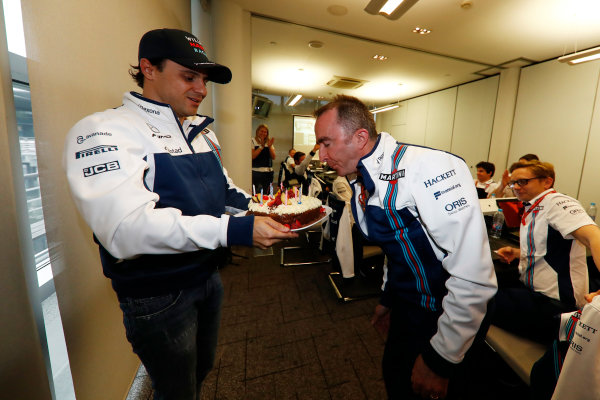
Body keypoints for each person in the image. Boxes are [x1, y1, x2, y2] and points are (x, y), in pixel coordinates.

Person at [63, 28, 296, 400]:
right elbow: (125, 230)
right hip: (158, 292)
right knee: (175, 389)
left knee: (201, 370)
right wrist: (235, 232)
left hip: (206, 276)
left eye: (203, 79)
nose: (202, 89)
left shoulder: (202, 132)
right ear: (148, 69)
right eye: (189, 76)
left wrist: (272, 211)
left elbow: (225, 192)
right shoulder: (103, 131)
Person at [314, 95, 497, 400]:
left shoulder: (429, 167)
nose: (320, 156)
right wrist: (388, 297)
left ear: (360, 138)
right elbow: (395, 247)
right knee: (396, 378)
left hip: (450, 313)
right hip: (409, 305)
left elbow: (474, 278)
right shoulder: (361, 178)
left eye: (326, 143)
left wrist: (441, 360)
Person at [494, 160, 600, 344]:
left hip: (556, 304)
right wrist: (518, 252)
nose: (516, 188)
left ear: (547, 182)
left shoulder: (558, 202)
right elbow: (546, 246)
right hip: (533, 290)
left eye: (523, 182)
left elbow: (594, 237)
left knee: (477, 300)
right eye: (513, 183)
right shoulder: (534, 206)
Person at [251, 124, 275, 194]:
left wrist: (270, 146)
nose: (263, 133)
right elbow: (253, 156)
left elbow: (273, 157)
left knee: (267, 194)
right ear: (257, 131)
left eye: (265, 132)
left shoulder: (269, 142)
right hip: (256, 172)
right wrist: (261, 146)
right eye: (261, 131)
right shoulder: (252, 141)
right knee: (255, 194)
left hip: (268, 173)